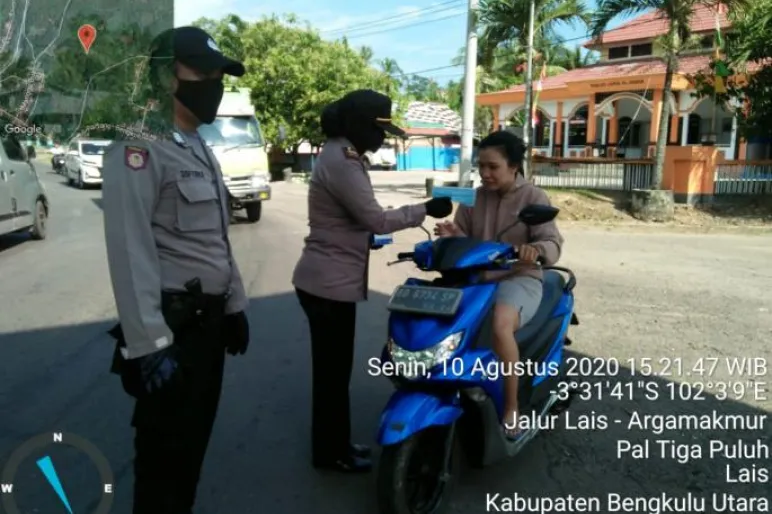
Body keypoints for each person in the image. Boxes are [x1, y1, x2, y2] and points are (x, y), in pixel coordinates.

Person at [102, 26, 251, 514]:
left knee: (190, 456)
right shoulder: (138, 147)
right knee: (164, 467)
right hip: (172, 333)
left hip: (208, 328)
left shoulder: (197, 145)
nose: (214, 85)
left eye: (218, 76)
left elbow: (216, 239)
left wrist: (235, 304)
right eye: (203, 74)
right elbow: (130, 252)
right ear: (167, 77)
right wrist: (148, 346)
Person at [293, 89, 453, 472]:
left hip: (325, 280)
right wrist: (424, 209)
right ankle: (332, 454)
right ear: (358, 126)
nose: (382, 138)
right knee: (332, 377)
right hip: (327, 286)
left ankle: (334, 446)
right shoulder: (343, 162)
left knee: (332, 375)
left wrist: (363, 237)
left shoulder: (337, 155)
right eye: (378, 130)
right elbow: (376, 219)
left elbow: (345, 220)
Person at [435, 130, 563, 440]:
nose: (485, 173)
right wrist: (452, 235)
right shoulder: (474, 197)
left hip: (518, 276)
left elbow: (552, 241)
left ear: (514, 166)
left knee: (501, 324)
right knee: (437, 316)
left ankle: (511, 406)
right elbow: (465, 238)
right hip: (476, 277)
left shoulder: (533, 197)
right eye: (481, 166)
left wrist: (536, 250)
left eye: (493, 166)